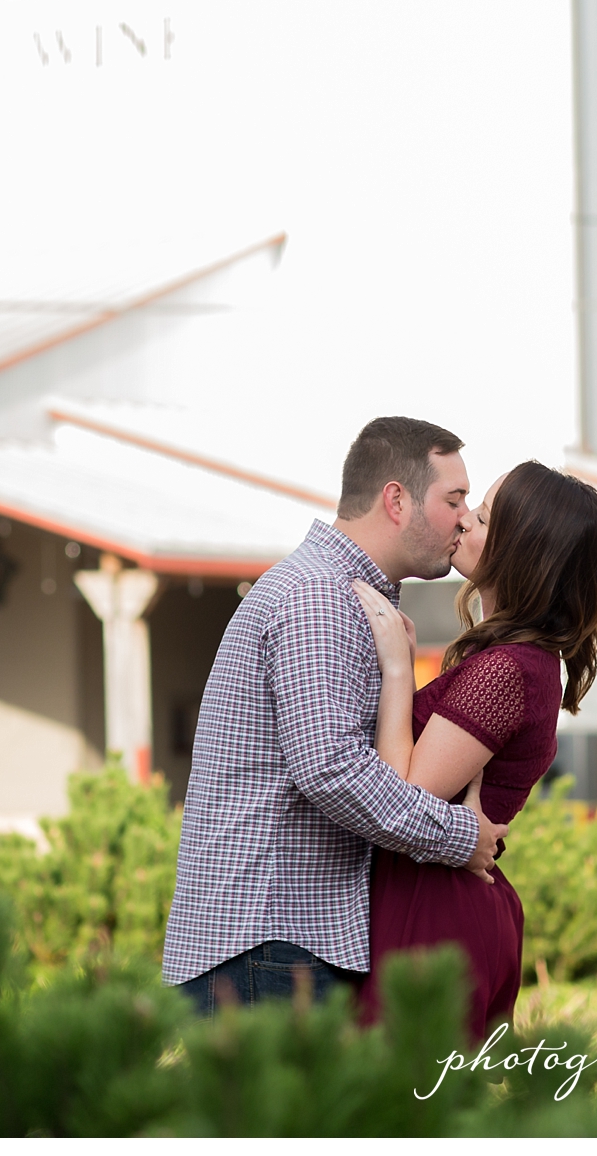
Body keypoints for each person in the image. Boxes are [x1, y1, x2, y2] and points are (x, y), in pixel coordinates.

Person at [162, 417, 510, 1011]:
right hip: (271, 944)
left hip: (271, 944)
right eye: (453, 500)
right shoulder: (322, 597)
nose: (463, 518)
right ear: (396, 500)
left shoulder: (334, 591)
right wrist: (459, 835)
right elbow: (330, 768)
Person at [351, 460, 597, 1040]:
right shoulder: (521, 662)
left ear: (523, 551)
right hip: (438, 894)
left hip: (435, 909)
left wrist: (397, 669)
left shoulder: (508, 671)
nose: (462, 520)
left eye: (485, 517)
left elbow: (404, 795)